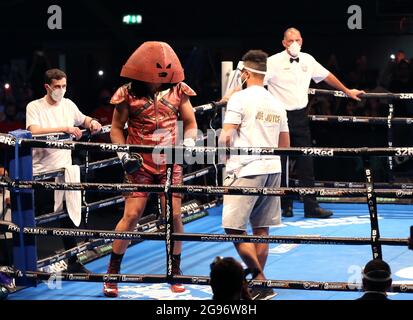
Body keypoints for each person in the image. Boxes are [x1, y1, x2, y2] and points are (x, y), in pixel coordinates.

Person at [103, 41, 198, 297]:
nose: (160, 74)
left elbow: (190, 122)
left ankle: (175, 272)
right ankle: (112, 274)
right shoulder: (126, 93)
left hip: (170, 161)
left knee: (175, 217)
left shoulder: (179, 90)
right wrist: (123, 155)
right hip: (139, 162)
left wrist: (189, 141)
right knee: (131, 216)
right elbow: (115, 128)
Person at [265, 27, 365, 218]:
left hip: (300, 116)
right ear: (284, 42)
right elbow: (256, 82)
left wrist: (347, 91)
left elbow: (327, 76)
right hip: (279, 117)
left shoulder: (308, 60)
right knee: (281, 162)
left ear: (302, 40)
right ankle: (284, 205)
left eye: (298, 40)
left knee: (306, 161)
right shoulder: (273, 61)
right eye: (291, 40)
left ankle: (311, 207)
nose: (295, 43)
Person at [219, 50, 290, 300]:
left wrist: (224, 156)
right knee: (261, 229)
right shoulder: (277, 103)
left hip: (245, 168)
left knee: (233, 227)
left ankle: (259, 279)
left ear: (245, 73)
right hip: (272, 168)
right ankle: (256, 288)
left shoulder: (239, 99)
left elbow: (226, 136)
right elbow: (284, 145)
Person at [26, 68, 102, 273]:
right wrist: (64, 129)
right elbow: (33, 131)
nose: (61, 90)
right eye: (57, 86)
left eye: (64, 86)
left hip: (64, 173)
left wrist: (92, 122)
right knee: (36, 221)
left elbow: (83, 119)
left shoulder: (68, 105)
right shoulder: (35, 106)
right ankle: (29, 266)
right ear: (47, 87)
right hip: (41, 174)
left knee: (67, 218)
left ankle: (73, 262)